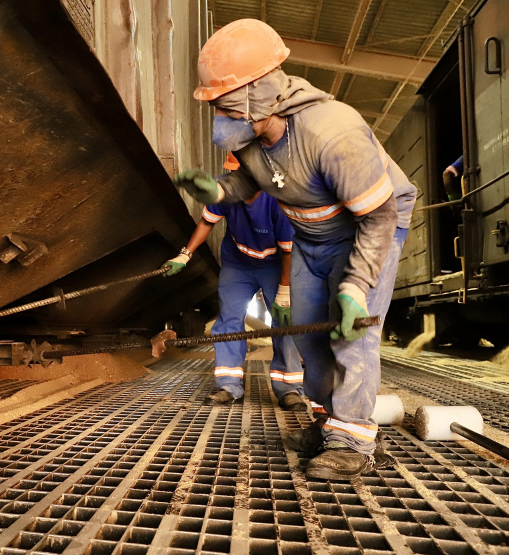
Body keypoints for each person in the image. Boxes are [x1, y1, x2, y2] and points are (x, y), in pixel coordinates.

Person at [174, 19, 417, 480]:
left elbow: (379, 217)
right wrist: (218, 190)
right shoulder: (251, 134)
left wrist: (357, 285)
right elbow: (255, 178)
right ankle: (330, 424)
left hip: (367, 232)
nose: (220, 117)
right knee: (306, 334)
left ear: (259, 92)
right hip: (311, 237)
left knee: (350, 335)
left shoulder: (333, 135)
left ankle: (353, 443)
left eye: (226, 104)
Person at [163, 155, 305, 410]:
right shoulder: (224, 189)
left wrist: (284, 291)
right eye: (231, 171)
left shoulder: (278, 199)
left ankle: (289, 388)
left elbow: (289, 251)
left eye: (239, 173)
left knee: (284, 321)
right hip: (237, 263)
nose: (232, 178)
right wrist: (185, 254)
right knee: (228, 320)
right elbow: (208, 221)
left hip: (274, 264)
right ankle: (228, 385)